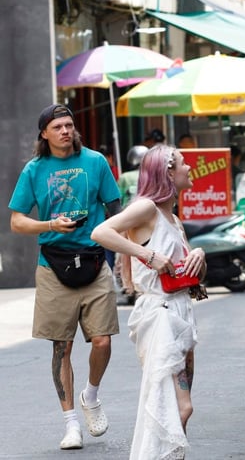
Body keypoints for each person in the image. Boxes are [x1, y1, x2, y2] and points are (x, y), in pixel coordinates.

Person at [8, 103, 124, 450]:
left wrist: (129, 252)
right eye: (57, 126)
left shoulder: (95, 162)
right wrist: (49, 225)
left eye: (69, 125)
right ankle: (71, 423)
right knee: (62, 346)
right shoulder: (34, 170)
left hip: (93, 258)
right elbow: (17, 221)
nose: (65, 131)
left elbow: (115, 209)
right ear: (44, 133)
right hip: (52, 266)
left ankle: (92, 395)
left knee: (102, 340)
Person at [92, 144, 207, 460]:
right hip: (160, 316)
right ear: (168, 171)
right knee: (178, 407)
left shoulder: (173, 219)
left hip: (180, 313)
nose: (189, 169)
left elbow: (183, 272)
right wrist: (147, 254)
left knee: (177, 410)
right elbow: (101, 231)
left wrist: (198, 255)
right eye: (183, 163)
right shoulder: (146, 209)